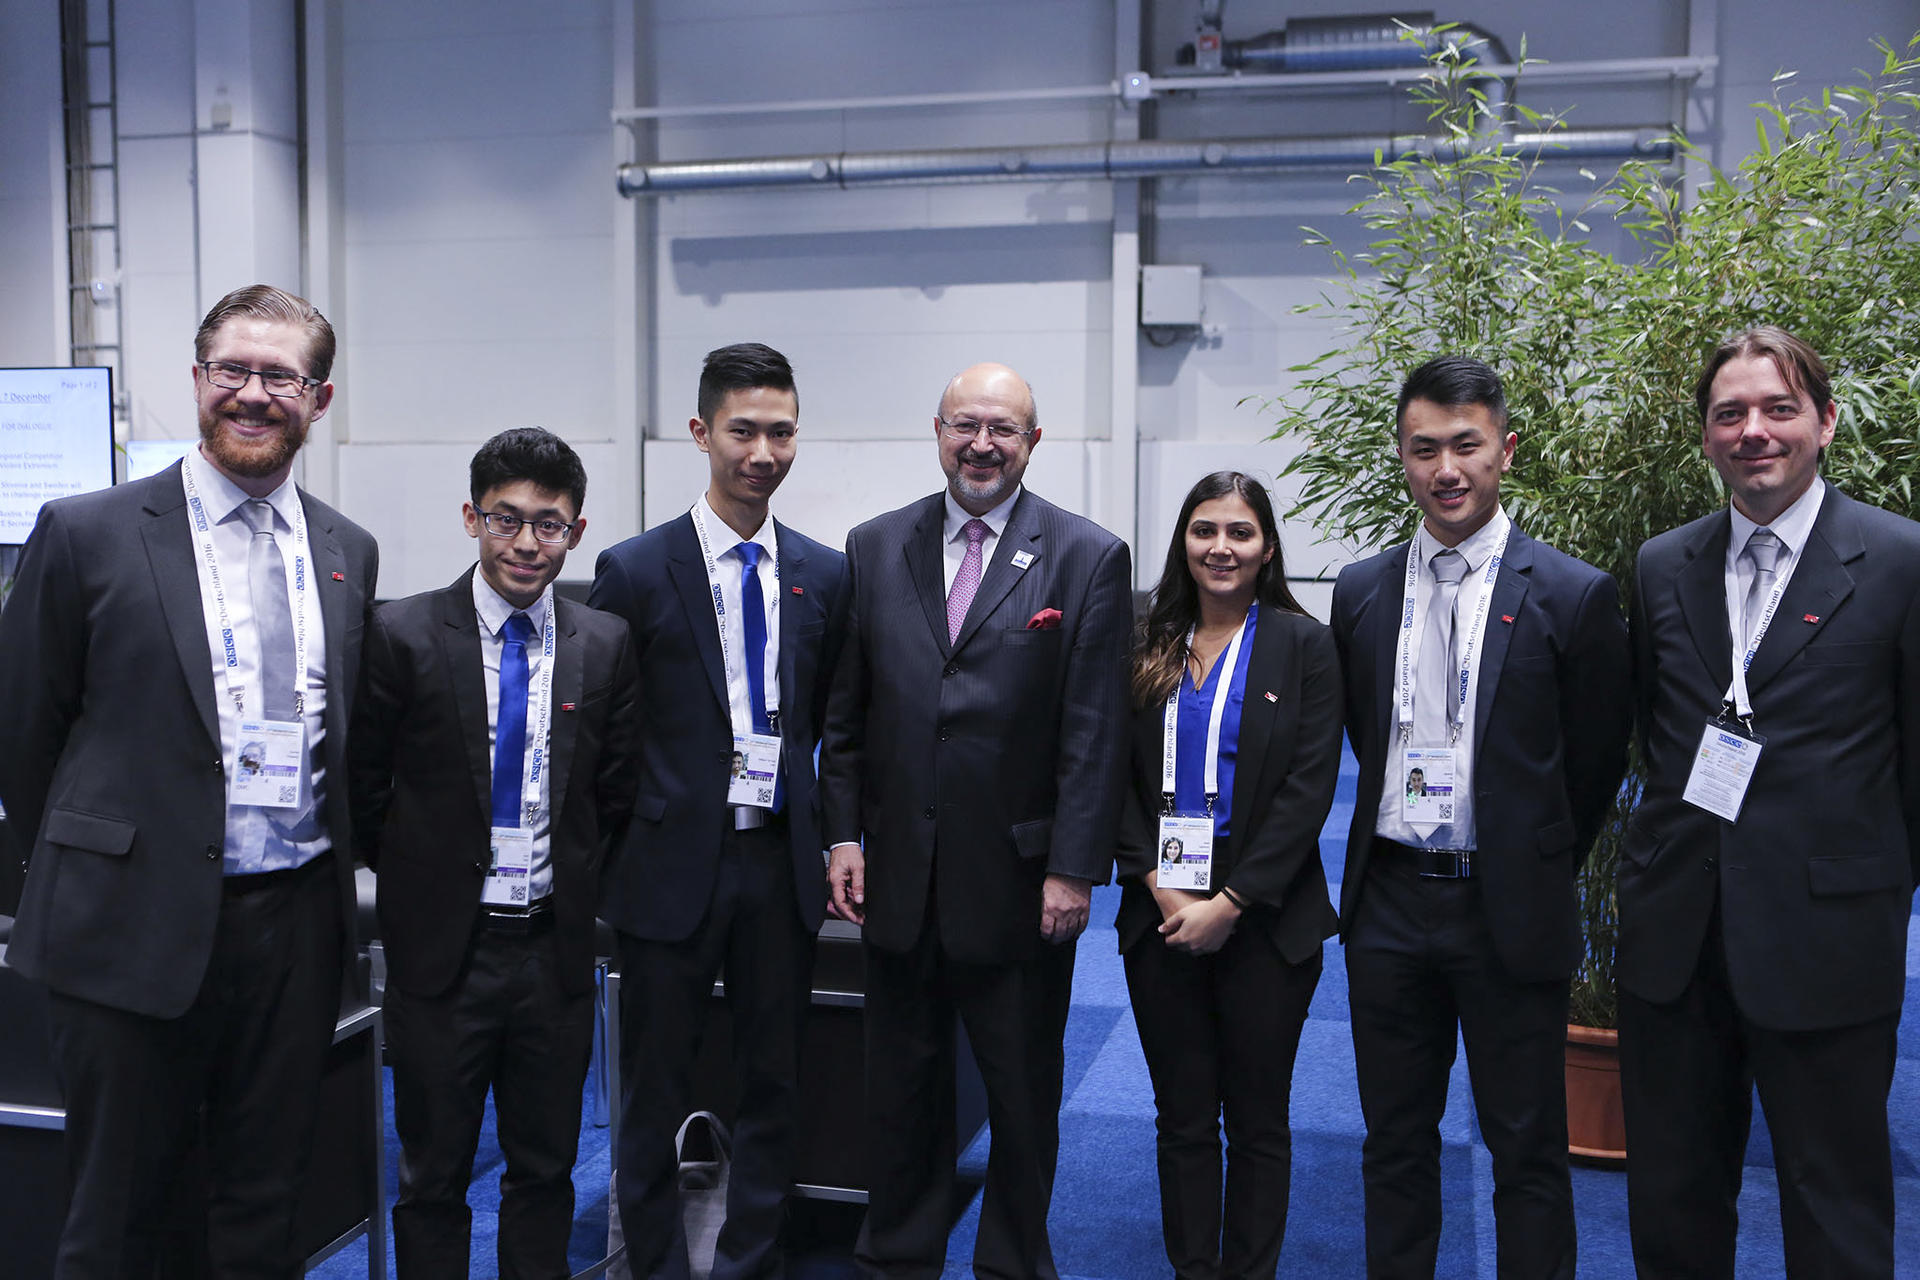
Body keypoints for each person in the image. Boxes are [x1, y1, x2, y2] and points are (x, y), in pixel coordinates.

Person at [0, 284, 379, 1277]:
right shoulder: (86, 531)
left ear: (319, 398)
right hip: (128, 923)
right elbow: (23, 730)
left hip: (294, 925)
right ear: (199, 379)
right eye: (232, 370)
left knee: (264, 1204)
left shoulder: (347, 550)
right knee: (122, 1215)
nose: (253, 394)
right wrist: (101, 862)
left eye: (280, 376)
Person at [819, 361, 1132, 1280]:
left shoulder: (1087, 556)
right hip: (899, 876)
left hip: (1021, 882)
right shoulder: (875, 545)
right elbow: (847, 714)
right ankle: (897, 1255)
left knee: (1021, 1096)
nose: (982, 445)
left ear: (1033, 441)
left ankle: (1011, 1263)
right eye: (966, 425)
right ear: (938, 431)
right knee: (900, 1089)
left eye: (1002, 428)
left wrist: (1073, 867)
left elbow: (1094, 731)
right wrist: (844, 834)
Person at [1619, 326, 1920, 1279]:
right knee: (1673, 1205)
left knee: (1836, 1214)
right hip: (1678, 936)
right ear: (1706, 436)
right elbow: (1655, 736)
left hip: (1828, 939)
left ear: (1825, 422)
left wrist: (1878, 889)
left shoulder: (1901, 560)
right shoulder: (1662, 563)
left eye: (1779, 408)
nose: (1753, 430)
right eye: (1730, 413)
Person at [1329, 355, 1631, 1279]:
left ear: (1506, 448)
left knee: (1526, 1148)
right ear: (1402, 456)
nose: (1446, 469)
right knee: (1394, 1141)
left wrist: (1528, 859)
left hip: (1508, 906)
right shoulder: (1360, 589)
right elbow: (1364, 738)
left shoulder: (1574, 593)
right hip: (1386, 903)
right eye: (1425, 449)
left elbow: (1594, 765)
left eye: (1467, 445)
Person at [349, 427, 640, 1277]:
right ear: (471, 519)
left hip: (552, 952)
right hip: (443, 955)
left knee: (544, 1170)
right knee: (432, 1175)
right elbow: (365, 787)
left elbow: (615, 794)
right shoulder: (401, 632)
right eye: (505, 519)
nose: (526, 543)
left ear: (575, 531)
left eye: (549, 524)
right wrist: (425, 881)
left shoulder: (604, 643)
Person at [589, 343, 848, 1280]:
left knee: (774, 1077)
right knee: (655, 1087)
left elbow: (833, 726)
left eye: (782, 433)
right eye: (743, 431)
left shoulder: (825, 573)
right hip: (669, 870)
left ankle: (749, 1261)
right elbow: (605, 735)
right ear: (702, 433)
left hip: (779, 863)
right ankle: (654, 1263)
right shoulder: (634, 570)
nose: (763, 453)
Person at [1114, 471, 1342, 1280]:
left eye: (1240, 532)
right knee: (1180, 1117)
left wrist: (1233, 901)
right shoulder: (1145, 636)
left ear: (1267, 548)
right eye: (1204, 529)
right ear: (1183, 541)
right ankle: (1193, 1268)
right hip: (1160, 908)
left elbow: (1310, 788)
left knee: (1257, 1120)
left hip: (1268, 917)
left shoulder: (1304, 645)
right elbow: (1113, 777)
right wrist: (1160, 886)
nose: (1221, 547)